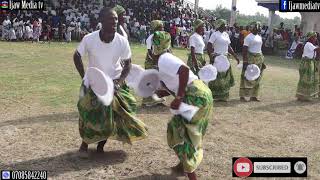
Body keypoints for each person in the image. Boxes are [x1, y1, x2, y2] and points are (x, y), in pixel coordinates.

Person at [73, 7, 148, 156]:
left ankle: (101, 146)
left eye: (115, 19)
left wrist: (119, 82)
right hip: (95, 83)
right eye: (110, 19)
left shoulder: (122, 41)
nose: (114, 21)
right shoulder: (89, 38)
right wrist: (85, 76)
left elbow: (128, 65)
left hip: (114, 83)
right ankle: (84, 145)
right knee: (88, 115)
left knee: (114, 115)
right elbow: (76, 56)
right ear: (101, 21)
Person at [152, 31, 213, 180]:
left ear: (155, 47)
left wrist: (178, 97)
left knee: (179, 131)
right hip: (201, 92)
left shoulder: (164, 58)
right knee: (188, 131)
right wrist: (164, 93)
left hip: (194, 95)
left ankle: (191, 174)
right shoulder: (166, 59)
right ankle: (182, 166)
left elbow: (184, 71)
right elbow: (178, 81)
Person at [207, 19, 240, 101]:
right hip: (217, 58)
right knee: (216, 77)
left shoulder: (226, 34)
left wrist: (235, 56)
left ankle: (224, 96)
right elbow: (209, 45)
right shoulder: (215, 34)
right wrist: (212, 56)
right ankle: (214, 95)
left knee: (225, 78)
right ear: (220, 25)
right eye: (225, 25)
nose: (226, 26)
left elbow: (229, 47)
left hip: (225, 58)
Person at [142, 20, 166, 107]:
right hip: (152, 62)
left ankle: (156, 100)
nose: (163, 29)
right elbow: (150, 52)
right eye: (161, 27)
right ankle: (147, 101)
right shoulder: (151, 38)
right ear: (156, 28)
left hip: (158, 61)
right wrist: (155, 63)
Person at [240, 22, 266, 102]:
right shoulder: (248, 37)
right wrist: (245, 61)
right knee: (246, 77)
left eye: (259, 27)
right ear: (254, 28)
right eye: (258, 27)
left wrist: (263, 60)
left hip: (259, 58)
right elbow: (244, 49)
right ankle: (242, 96)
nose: (259, 28)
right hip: (250, 58)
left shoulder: (259, 37)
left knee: (258, 77)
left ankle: (254, 96)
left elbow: (259, 49)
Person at [296, 32, 320, 101]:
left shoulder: (310, 44)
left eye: (315, 37)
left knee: (305, 79)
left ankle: (302, 96)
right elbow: (318, 50)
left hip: (308, 62)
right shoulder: (309, 44)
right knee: (307, 79)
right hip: (307, 63)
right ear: (310, 38)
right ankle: (304, 96)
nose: (315, 39)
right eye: (314, 37)